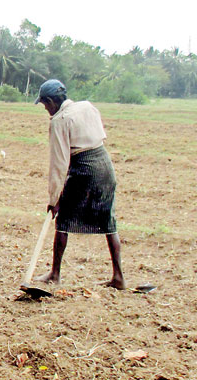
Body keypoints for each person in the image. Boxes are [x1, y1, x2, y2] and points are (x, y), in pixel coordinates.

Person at [33, 79, 125, 290]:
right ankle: (119, 277)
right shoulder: (87, 106)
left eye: (45, 104)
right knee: (108, 221)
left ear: (51, 101)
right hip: (105, 164)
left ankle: (55, 274)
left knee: (63, 219)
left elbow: (59, 163)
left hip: (84, 169)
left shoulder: (59, 120)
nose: (46, 109)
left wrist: (54, 199)